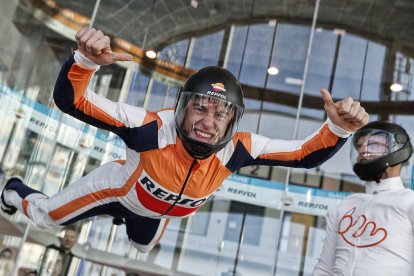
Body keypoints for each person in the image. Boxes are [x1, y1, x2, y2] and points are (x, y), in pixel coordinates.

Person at [1, 27, 368, 254]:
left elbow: (305, 155)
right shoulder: (148, 127)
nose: (207, 123)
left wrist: (337, 128)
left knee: (142, 247)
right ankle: (13, 190)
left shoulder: (240, 147)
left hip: (156, 210)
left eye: (220, 114)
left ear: (233, 121)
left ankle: (125, 224)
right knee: (47, 218)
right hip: (115, 189)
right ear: (183, 108)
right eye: (200, 108)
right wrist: (84, 61)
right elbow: (72, 101)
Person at [313, 121, 414, 275]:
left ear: (398, 149)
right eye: (359, 146)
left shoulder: (409, 202)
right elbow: (324, 268)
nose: (362, 151)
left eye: (372, 144)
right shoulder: (345, 206)